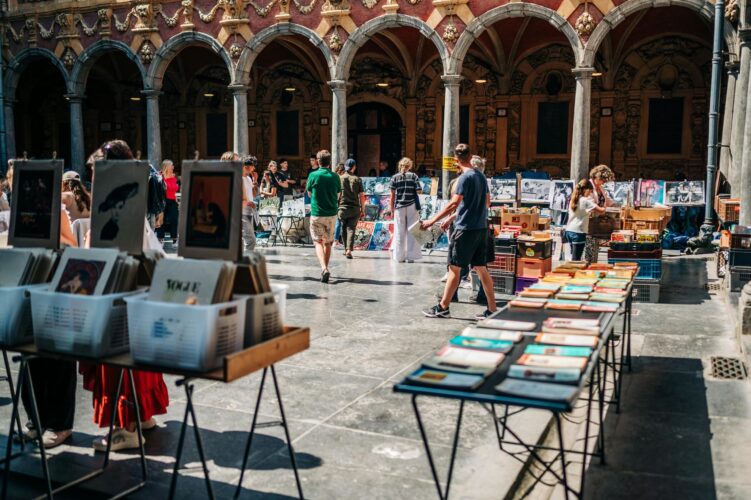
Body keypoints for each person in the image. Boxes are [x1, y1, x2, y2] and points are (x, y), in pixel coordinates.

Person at [82, 140, 169, 452]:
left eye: (96, 175)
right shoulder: (129, 210)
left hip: (121, 299)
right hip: (137, 297)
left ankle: (126, 428)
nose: (93, 183)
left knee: (118, 365)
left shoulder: (116, 212)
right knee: (137, 362)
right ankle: (142, 418)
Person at [421, 144, 496, 319]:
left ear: (456, 160)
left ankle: (443, 307)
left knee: (454, 268)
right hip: (481, 228)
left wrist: (433, 220)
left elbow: (455, 203)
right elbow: (483, 203)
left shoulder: (464, 178)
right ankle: (492, 309)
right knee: (481, 268)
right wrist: (454, 216)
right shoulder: (481, 177)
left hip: (465, 229)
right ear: (470, 157)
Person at [306, 150, 341, 283]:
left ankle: (324, 268)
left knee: (317, 241)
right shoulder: (335, 176)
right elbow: (338, 195)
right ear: (329, 161)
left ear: (318, 161)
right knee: (328, 242)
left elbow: (309, 194)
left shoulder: (313, 175)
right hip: (331, 213)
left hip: (317, 213)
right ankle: (325, 268)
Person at [389, 157, 422, 263]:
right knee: (412, 230)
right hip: (412, 205)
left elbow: (392, 195)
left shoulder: (395, 177)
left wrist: (391, 209)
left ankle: (399, 257)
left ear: (400, 166)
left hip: (399, 207)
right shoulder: (413, 176)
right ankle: (411, 256)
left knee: (399, 231)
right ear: (410, 166)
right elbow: (419, 191)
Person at [565, 179, 606, 261]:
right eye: (590, 191)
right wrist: (605, 203)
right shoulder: (585, 200)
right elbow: (601, 210)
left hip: (569, 230)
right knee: (576, 259)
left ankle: (571, 272)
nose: (590, 194)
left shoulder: (573, 199)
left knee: (573, 257)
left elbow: (579, 212)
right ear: (585, 189)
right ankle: (574, 272)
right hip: (578, 232)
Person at [585, 164, 616, 263]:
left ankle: (592, 265)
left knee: (595, 248)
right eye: (603, 180)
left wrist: (619, 206)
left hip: (597, 222)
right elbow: (589, 203)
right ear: (597, 177)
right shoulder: (588, 186)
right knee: (590, 248)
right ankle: (588, 266)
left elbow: (608, 200)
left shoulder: (600, 188)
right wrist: (602, 210)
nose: (603, 182)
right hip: (589, 221)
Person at [338, 158, 364, 259]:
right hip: (354, 208)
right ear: (354, 167)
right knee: (351, 228)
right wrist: (363, 209)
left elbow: (337, 194)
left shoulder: (340, 178)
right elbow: (362, 195)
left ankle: (345, 249)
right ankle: (349, 249)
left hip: (342, 207)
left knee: (343, 228)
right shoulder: (358, 179)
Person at [156, 160, 179, 246]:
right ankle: (160, 239)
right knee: (161, 220)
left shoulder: (173, 176)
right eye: (172, 166)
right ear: (167, 167)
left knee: (174, 219)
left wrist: (175, 197)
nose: (173, 167)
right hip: (163, 200)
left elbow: (174, 189)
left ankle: (174, 240)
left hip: (172, 200)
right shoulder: (160, 176)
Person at [241, 156, 257, 252]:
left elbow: (253, 194)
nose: (254, 168)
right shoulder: (239, 178)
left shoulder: (248, 178)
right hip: (242, 212)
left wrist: (255, 180)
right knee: (251, 240)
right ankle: (246, 262)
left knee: (245, 240)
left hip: (249, 211)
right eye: (253, 166)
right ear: (247, 166)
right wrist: (249, 202)